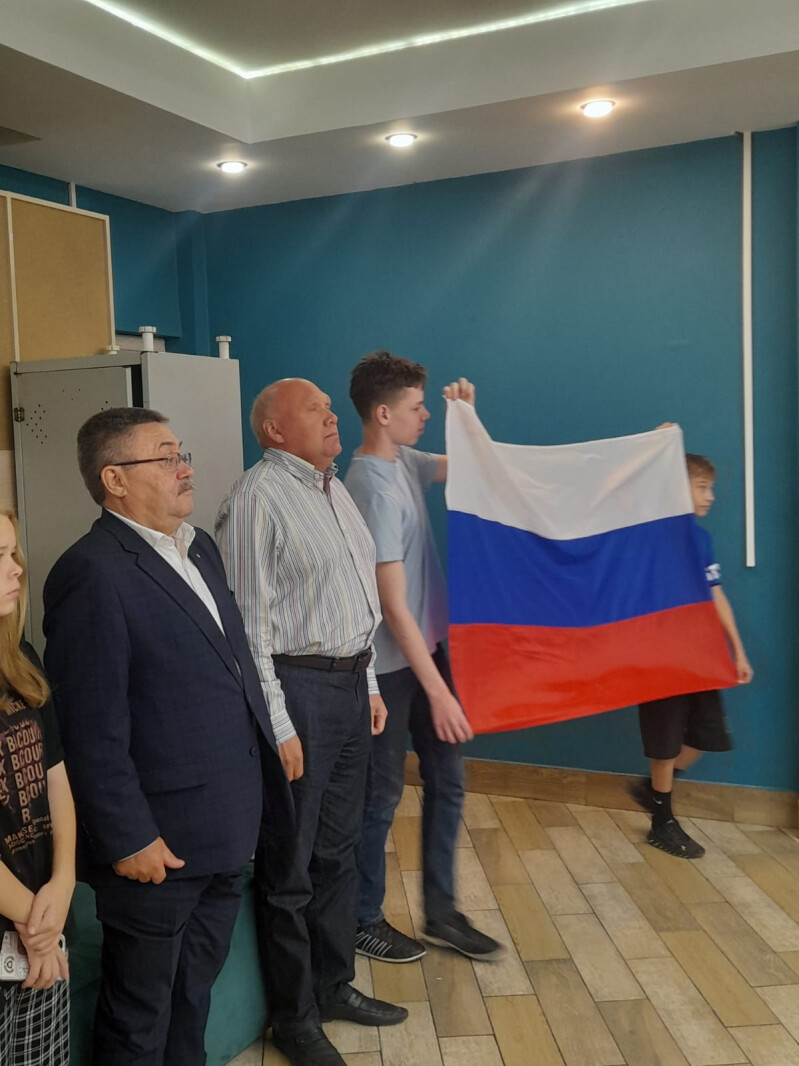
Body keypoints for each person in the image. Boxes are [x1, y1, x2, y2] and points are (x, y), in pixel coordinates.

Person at [42, 407, 292, 1066]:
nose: (185, 469)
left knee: (192, 997)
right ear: (115, 479)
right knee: (139, 1016)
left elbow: (231, 670)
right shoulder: (92, 572)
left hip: (223, 829)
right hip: (156, 846)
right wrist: (128, 837)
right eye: (165, 457)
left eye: (182, 454)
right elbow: (90, 727)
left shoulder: (197, 546)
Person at [216, 378, 406, 1066]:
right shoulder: (255, 498)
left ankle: (332, 985)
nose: (331, 417)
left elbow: (354, 601)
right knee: (291, 863)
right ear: (274, 430)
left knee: (339, 850)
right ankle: (294, 1019)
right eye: (316, 410)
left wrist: (370, 682)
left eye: (330, 408)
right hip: (295, 692)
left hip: (350, 686)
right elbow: (247, 628)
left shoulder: (334, 490)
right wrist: (278, 722)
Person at [345, 351, 499, 963]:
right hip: (388, 670)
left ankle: (442, 913)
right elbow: (392, 606)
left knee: (448, 782)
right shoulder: (372, 489)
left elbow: (468, 466)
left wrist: (468, 419)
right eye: (417, 407)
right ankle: (362, 918)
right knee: (381, 797)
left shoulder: (404, 461)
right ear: (383, 414)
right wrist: (438, 692)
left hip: (428, 655)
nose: (425, 415)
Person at [631, 450, 754, 858]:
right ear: (674, 487)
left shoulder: (701, 540)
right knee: (664, 741)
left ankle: (651, 791)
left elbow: (716, 595)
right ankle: (662, 822)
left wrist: (737, 650)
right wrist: (656, 450)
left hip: (696, 655)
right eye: (702, 487)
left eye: (710, 488)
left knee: (705, 736)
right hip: (657, 657)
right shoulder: (649, 534)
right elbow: (630, 492)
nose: (711, 496)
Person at [0, 511, 75, 1065]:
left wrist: (64, 881)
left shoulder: (20, 658)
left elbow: (55, 775)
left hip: (43, 908)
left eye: (12, 553)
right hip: (26, 917)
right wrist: (34, 920)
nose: (16, 570)